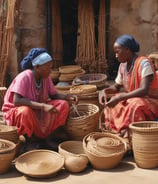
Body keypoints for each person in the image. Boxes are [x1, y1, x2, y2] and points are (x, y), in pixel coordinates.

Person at [2, 48, 78, 151]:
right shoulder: (24, 77)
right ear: (37, 67)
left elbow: (53, 95)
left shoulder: (45, 77)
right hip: (15, 112)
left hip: (37, 108)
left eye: (50, 67)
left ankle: (46, 137)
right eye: (47, 68)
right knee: (25, 111)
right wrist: (43, 106)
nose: (50, 71)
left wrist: (67, 96)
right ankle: (30, 140)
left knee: (63, 104)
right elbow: (17, 101)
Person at [99, 34, 158, 139]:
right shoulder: (122, 66)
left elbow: (144, 90)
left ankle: (129, 137)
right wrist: (104, 91)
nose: (116, 55)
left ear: (127, 49)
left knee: (133, 104)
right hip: (134, 99)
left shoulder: (144, 63)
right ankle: (117, 131)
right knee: (115, 101)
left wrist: (121, 97)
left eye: (118, 52)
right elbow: (116, 87)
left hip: (152, 101)